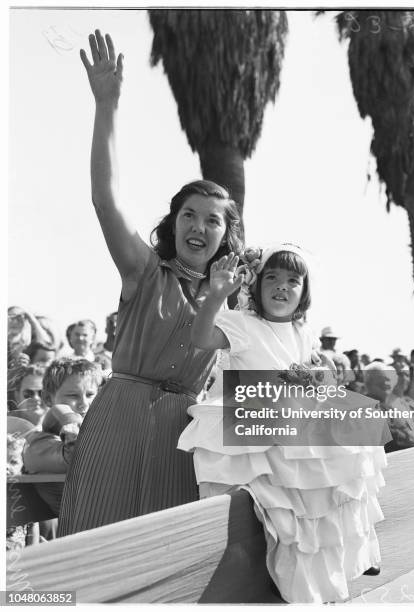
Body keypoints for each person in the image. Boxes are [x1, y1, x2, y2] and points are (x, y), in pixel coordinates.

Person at [58, 30, 243, 536]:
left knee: (163, 555)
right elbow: (105, 199)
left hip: (182, 436)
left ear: (227, 236)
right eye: (188, 215)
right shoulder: (143, 271)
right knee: (95, 542)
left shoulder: (232, 305)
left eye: (212, 220)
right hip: (117, 420)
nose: (197, 227)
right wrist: (107, 105)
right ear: (173, 222)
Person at [178, 246, 386, 603]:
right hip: (254, 417)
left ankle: (350, 548)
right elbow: (200, 338)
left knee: (356, 429)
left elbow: (309, 378)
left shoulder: (303, 333)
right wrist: (215, 296)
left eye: (293, 280)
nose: (281, 287)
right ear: (256, 286)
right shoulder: (242, 323)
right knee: (283, 493)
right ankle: (283, 560)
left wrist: (316, 378)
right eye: (271, 278)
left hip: (290, 417)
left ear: (304, 291)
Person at [23, 359, 103, 516]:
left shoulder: (101, 432)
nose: (84, 404)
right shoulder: (36, 444)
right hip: (79, 527)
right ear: (47, 399)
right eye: (73, 395)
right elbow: (81, 458)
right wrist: (68, 417)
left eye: (90, 394)